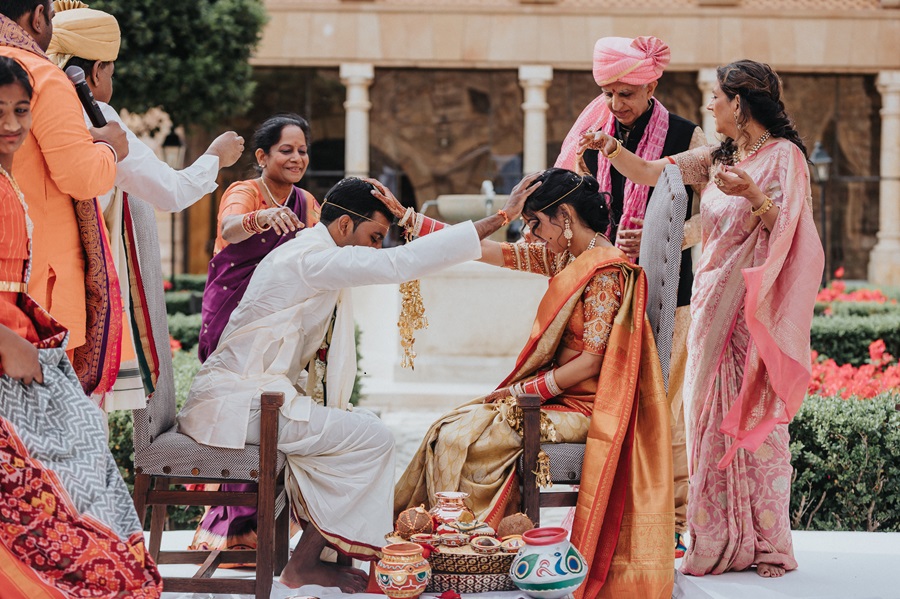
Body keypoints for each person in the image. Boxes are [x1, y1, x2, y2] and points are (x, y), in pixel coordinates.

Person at [177, 176, 527, 592]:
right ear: (344, 226)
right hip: (242, 407)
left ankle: (322, 557)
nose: (378, 248)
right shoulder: (313, 258)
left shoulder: (309, 251)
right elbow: (399, 265)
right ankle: (305, 564)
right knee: (372, 438)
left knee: (358, 427)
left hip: (253, 399)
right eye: (375, 236)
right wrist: (502, 217)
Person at [581, 60, 824, 578]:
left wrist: (753, 196)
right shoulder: (716, 157)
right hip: (711, 300)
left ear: (739, 103)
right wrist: (612, 150)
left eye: (716, 96)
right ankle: (716, 541)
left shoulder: (785, 160)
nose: (709, 105)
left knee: (756, 425)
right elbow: (653, 172)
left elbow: (792, 231)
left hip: (749, 308)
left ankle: (768, 544)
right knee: (704, 423)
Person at [395, 168, 674, 599]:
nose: (531, 234)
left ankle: (482, 550)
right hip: (555, 396)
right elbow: (486, 252)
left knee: (470, 439)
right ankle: (453, 549)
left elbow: (592, 362)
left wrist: (528, 391)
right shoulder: (562, 257)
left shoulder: (605, 274)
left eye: (536, 223)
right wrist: (412, 221)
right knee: (449, 428)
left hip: (586, 406)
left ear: (564, 217)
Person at [0, 54, 160, 599]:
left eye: (22, 110)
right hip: (10, 355)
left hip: (28, 349)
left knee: (86, 496)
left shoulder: (6, 178)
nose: (13, 125)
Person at [45, 0, 246, 411]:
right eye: (112, 71)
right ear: (95, 71)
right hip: (79, 288)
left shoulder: (33, 106)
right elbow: (171, 191)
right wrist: (215, 157)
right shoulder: (97, 117)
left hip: (31, 284)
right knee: (78, 415)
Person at [556, 35, 705, 557]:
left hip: (674, 291)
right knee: (616, 401)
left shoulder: (688, 135)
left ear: (652, 85)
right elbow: (573, 213)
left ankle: (675, 519)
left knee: (670, 404)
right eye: (610, 93)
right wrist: (602, 242)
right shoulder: (592, 136)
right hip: (611, 290)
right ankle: (617, 511)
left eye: (627, 94)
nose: (617, 105)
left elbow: (712, 221)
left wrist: (663, 237)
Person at [0, 0, 130, 398]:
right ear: (37, 16)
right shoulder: (41, 76)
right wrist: (110, 148)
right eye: (51, 18)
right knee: (37, 433)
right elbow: (82, 176)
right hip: (35, 284)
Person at [198, 113, 318, 363]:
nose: (297, 158)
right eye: (286, 150)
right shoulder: (245, 191)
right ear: (262, 157)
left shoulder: (306, 202)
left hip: (282, 319)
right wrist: (260, 217)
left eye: (302, 151)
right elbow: (229, 228)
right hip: (232, 312)